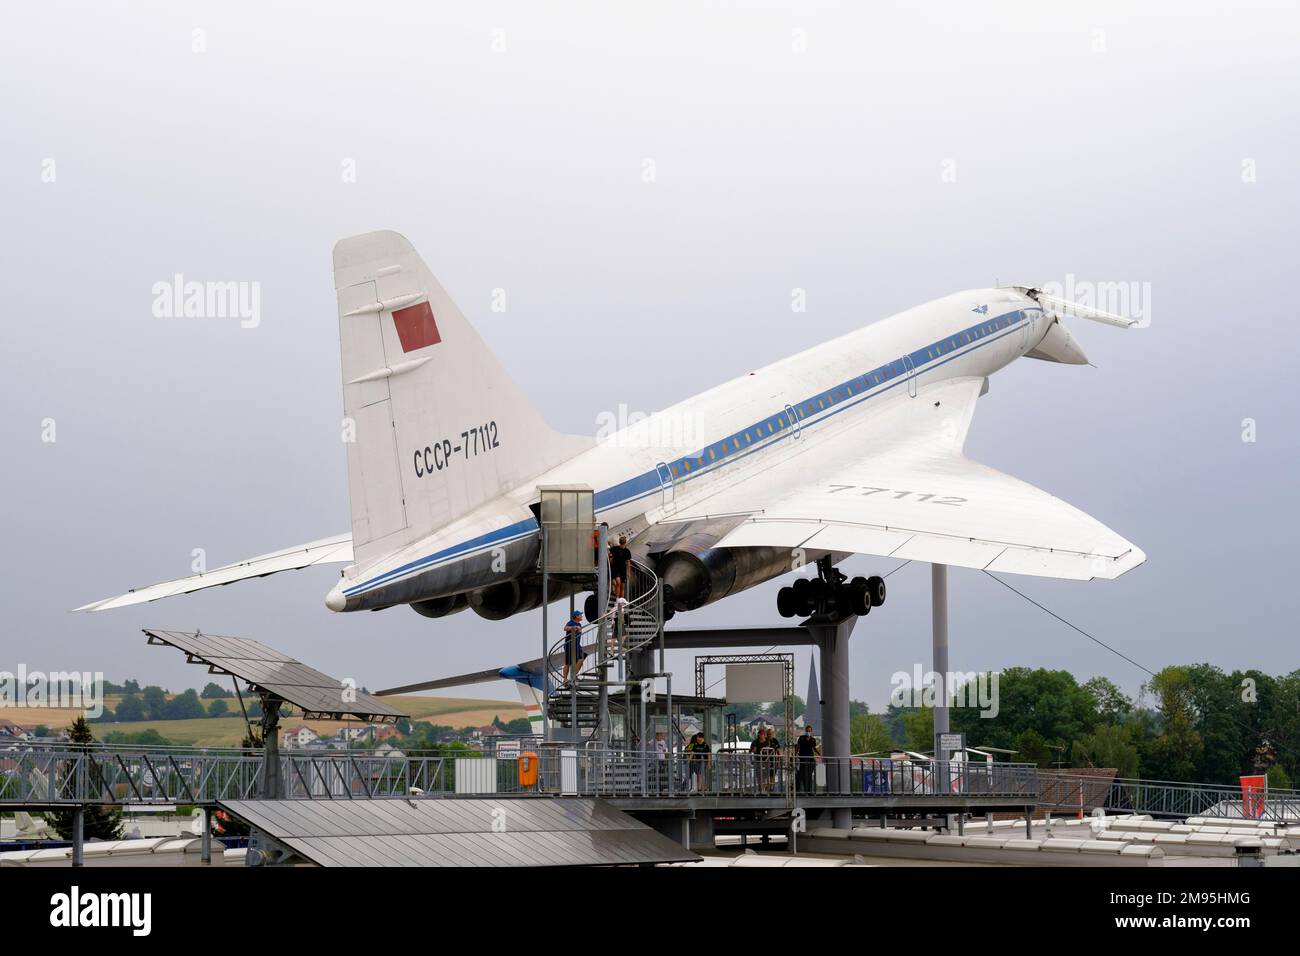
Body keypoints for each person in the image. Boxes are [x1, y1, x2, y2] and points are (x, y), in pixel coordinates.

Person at [562, 609, 585, 683]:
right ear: (576, 616)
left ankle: (573, 676)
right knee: (567, 663)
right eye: (580, 615)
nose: (582, 616)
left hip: (577, 645)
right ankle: (565, 679)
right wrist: (573, 627)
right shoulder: (571, 622)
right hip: (569, 645)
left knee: (581, 659)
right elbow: (565, 628)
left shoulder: (579, 624)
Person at [796, 724, 821, 793]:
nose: (808, 732)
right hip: (802, 758)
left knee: (809, 775)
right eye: (807, 730)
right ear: (805, 731)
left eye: (809, 731)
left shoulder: (813, 739)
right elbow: (798, 747)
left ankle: (809, 790)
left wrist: (819, 754)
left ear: (811, 731)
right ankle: (802, 790)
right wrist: (795, 754)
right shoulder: (801, 738)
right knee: (802, 774)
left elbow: (814, 748)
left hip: (810, 759)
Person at [609, 534, 632, 602]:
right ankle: (617, 599)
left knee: (622, 586)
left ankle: (621, 601)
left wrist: (628, 572)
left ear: (624, 543)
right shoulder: (615, 548)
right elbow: (609, 553)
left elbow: (628, 562)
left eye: (623, 543)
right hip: (615, 569)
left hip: (623, 570)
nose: (622, 544)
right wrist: (610, 558)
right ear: (620, 542)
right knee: (618, 583)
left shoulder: (627, 551)